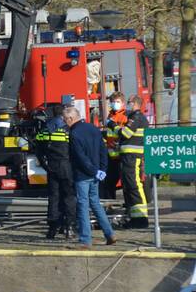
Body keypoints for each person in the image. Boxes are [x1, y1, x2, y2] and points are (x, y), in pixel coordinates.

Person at [64, 106, 116, 249]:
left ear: (70, 118)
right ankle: (110, 234)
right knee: (95, 203)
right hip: (96, 174)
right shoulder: (93, 129)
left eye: (65, 120)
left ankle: (85, 240)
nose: (65, 123)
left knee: (82, 206)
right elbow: (103, 150)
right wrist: (102, 170)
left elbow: (80, 158)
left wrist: (93, 171)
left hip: (83, 175)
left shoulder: (74, 133)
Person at [34, 104, 76, 239]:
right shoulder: (67, 130)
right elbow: (75, 150)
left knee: (54, 198)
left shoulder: (45, 130)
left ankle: (52, 229)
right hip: (66, 166)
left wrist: (45, 165)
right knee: (69, 197)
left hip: (51, 167)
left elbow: (38, 150)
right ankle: (68, 227)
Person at [118, 94, 149, 228]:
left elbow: (126, 134)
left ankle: (141, 218)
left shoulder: (136, 117)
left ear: (135, 103)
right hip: (128, 157)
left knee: (135, 186)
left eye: (129, 102)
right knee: (130, 187)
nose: (127, 105)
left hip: (133, 157)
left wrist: (114, 126)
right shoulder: (135, 117)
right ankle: (135, 217)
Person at [101, 92, 127, 200]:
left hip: (122, 154)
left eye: (118, 102)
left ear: (123, 103)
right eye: (113, 102)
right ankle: (110, 205)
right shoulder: (110, 115)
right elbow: (108, 134)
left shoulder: (125, 116)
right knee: (109, 182)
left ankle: (128, 206)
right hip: (111, 155)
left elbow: (125, 133)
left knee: (126, 183)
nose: (115, 104)